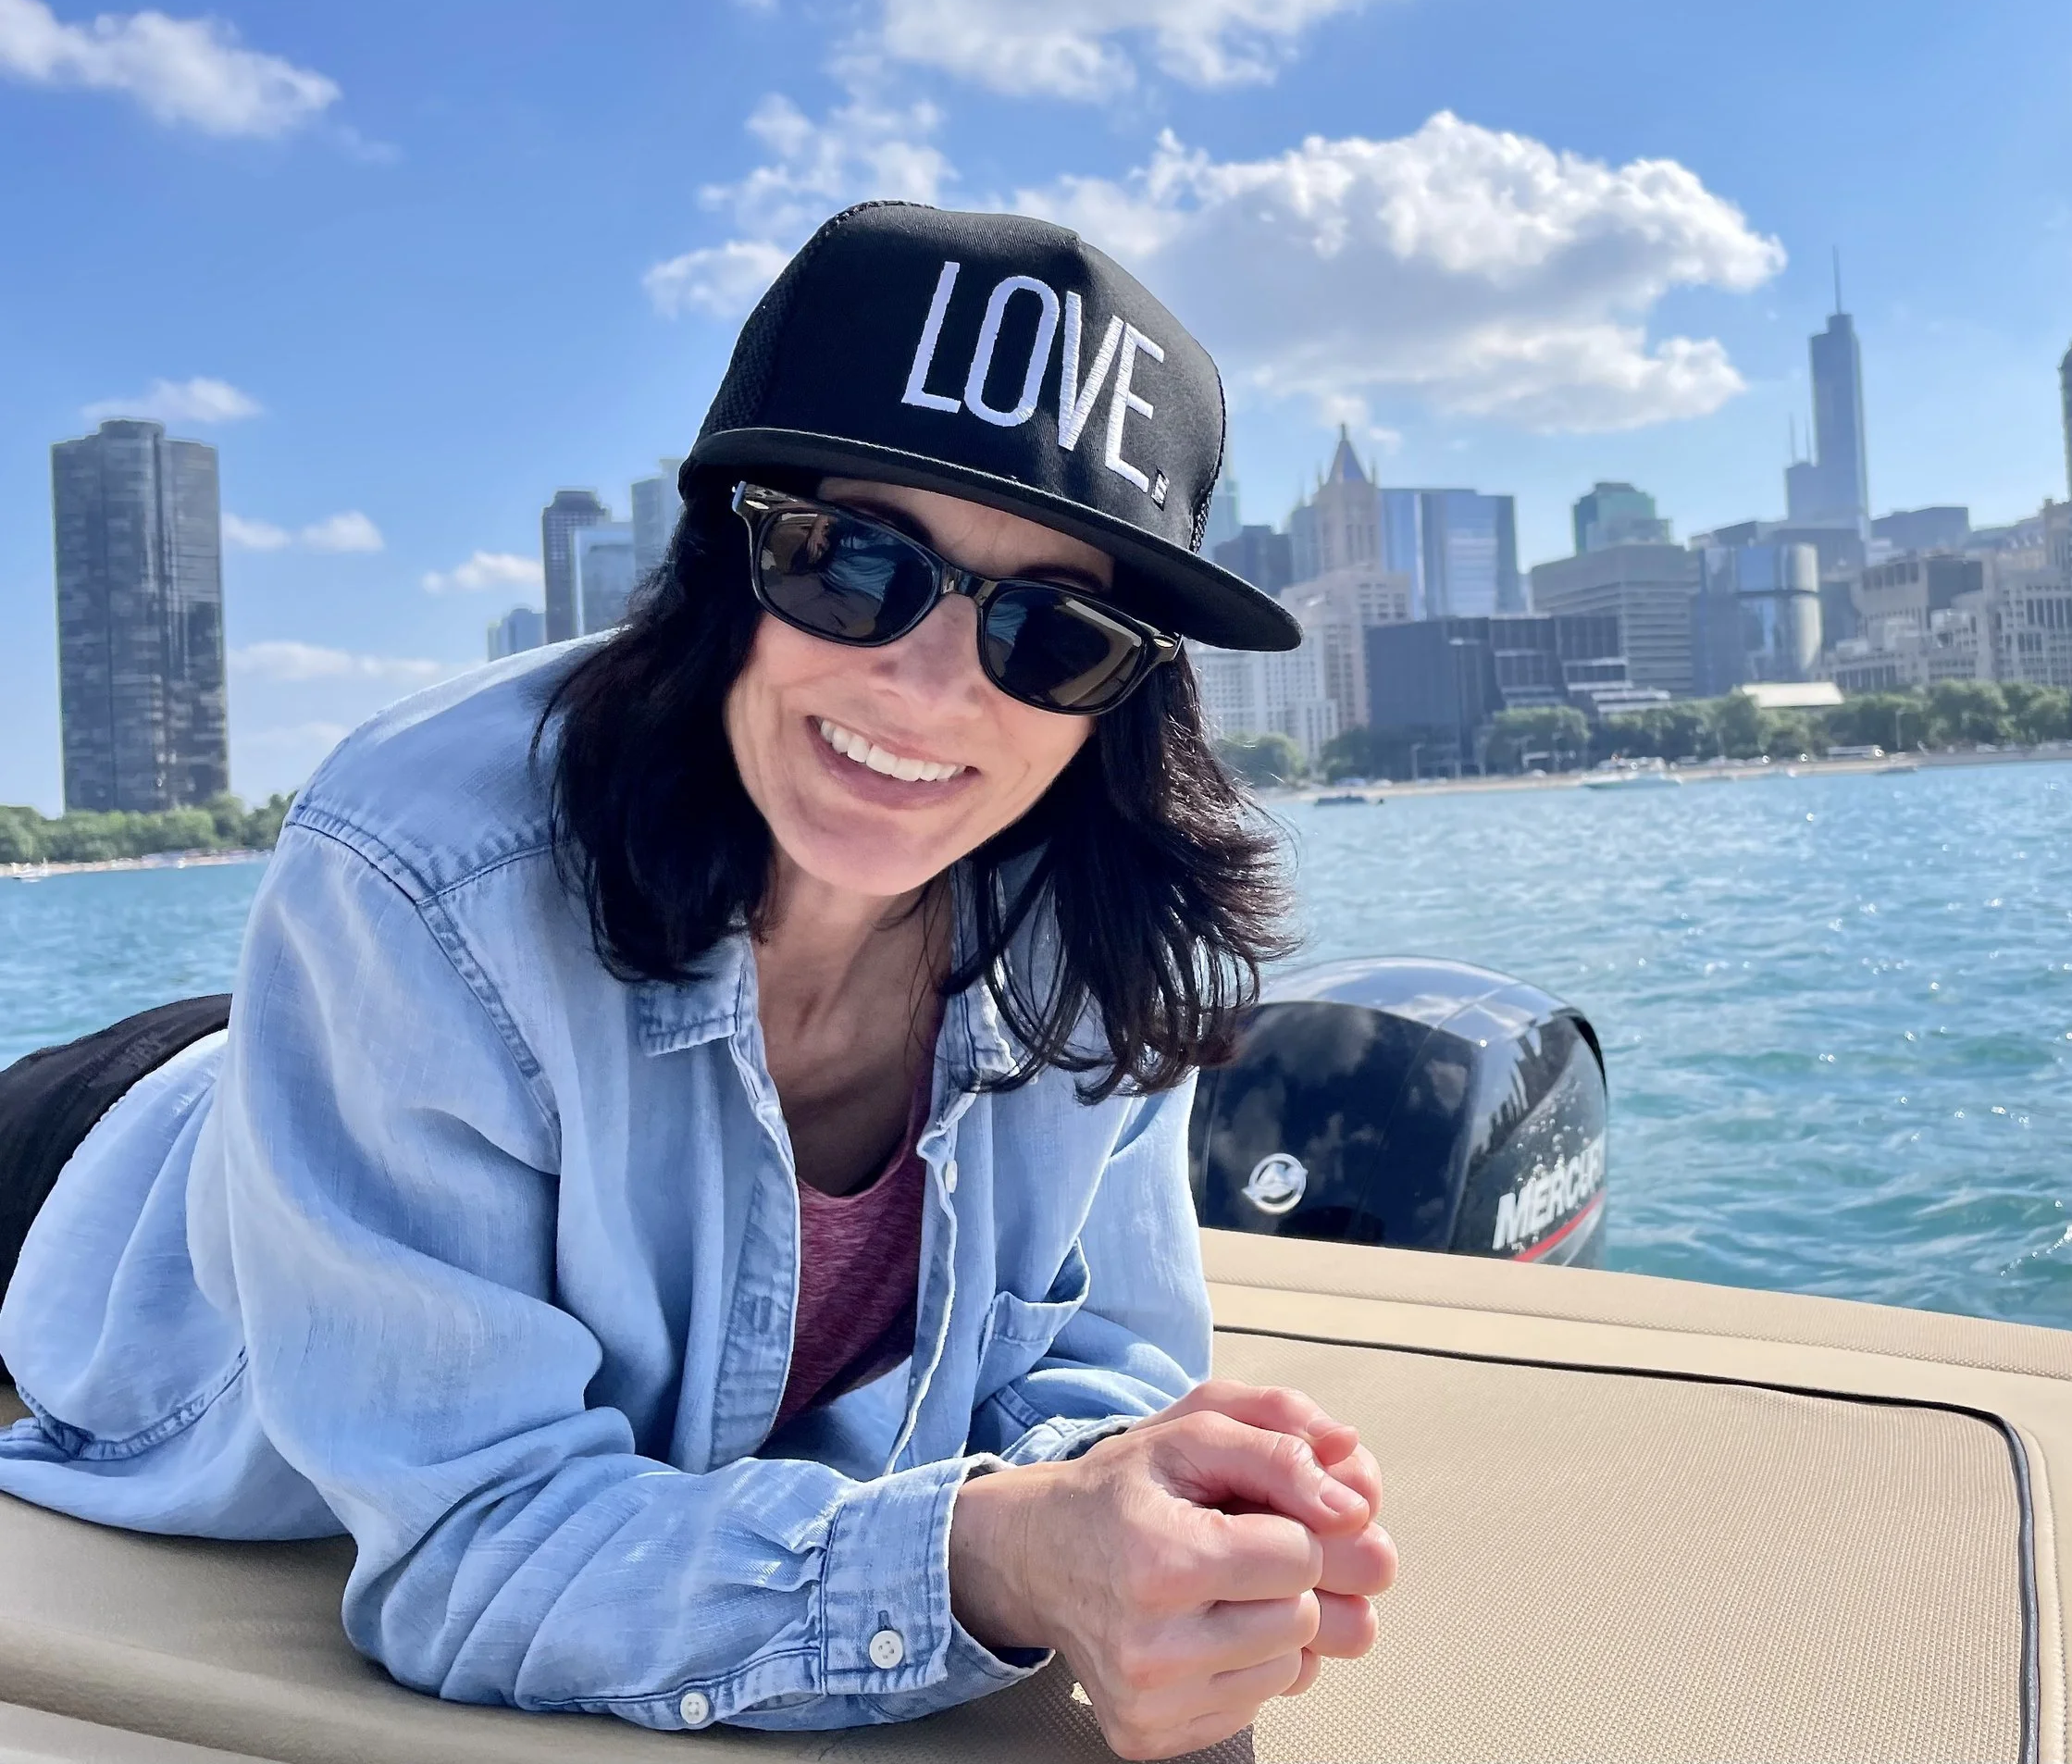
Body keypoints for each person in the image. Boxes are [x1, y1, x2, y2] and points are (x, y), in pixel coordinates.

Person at [0, 203, 1395, 1759]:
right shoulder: (414, 862)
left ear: (1119, 698)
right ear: (728, 551)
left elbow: (1091, 1356)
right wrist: (987, 1560)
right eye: (853, 562)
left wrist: (1129, 1501)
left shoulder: (1108, 920)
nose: (930, 696)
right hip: (107, 1164)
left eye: (1054, 634)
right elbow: (471, 1545)